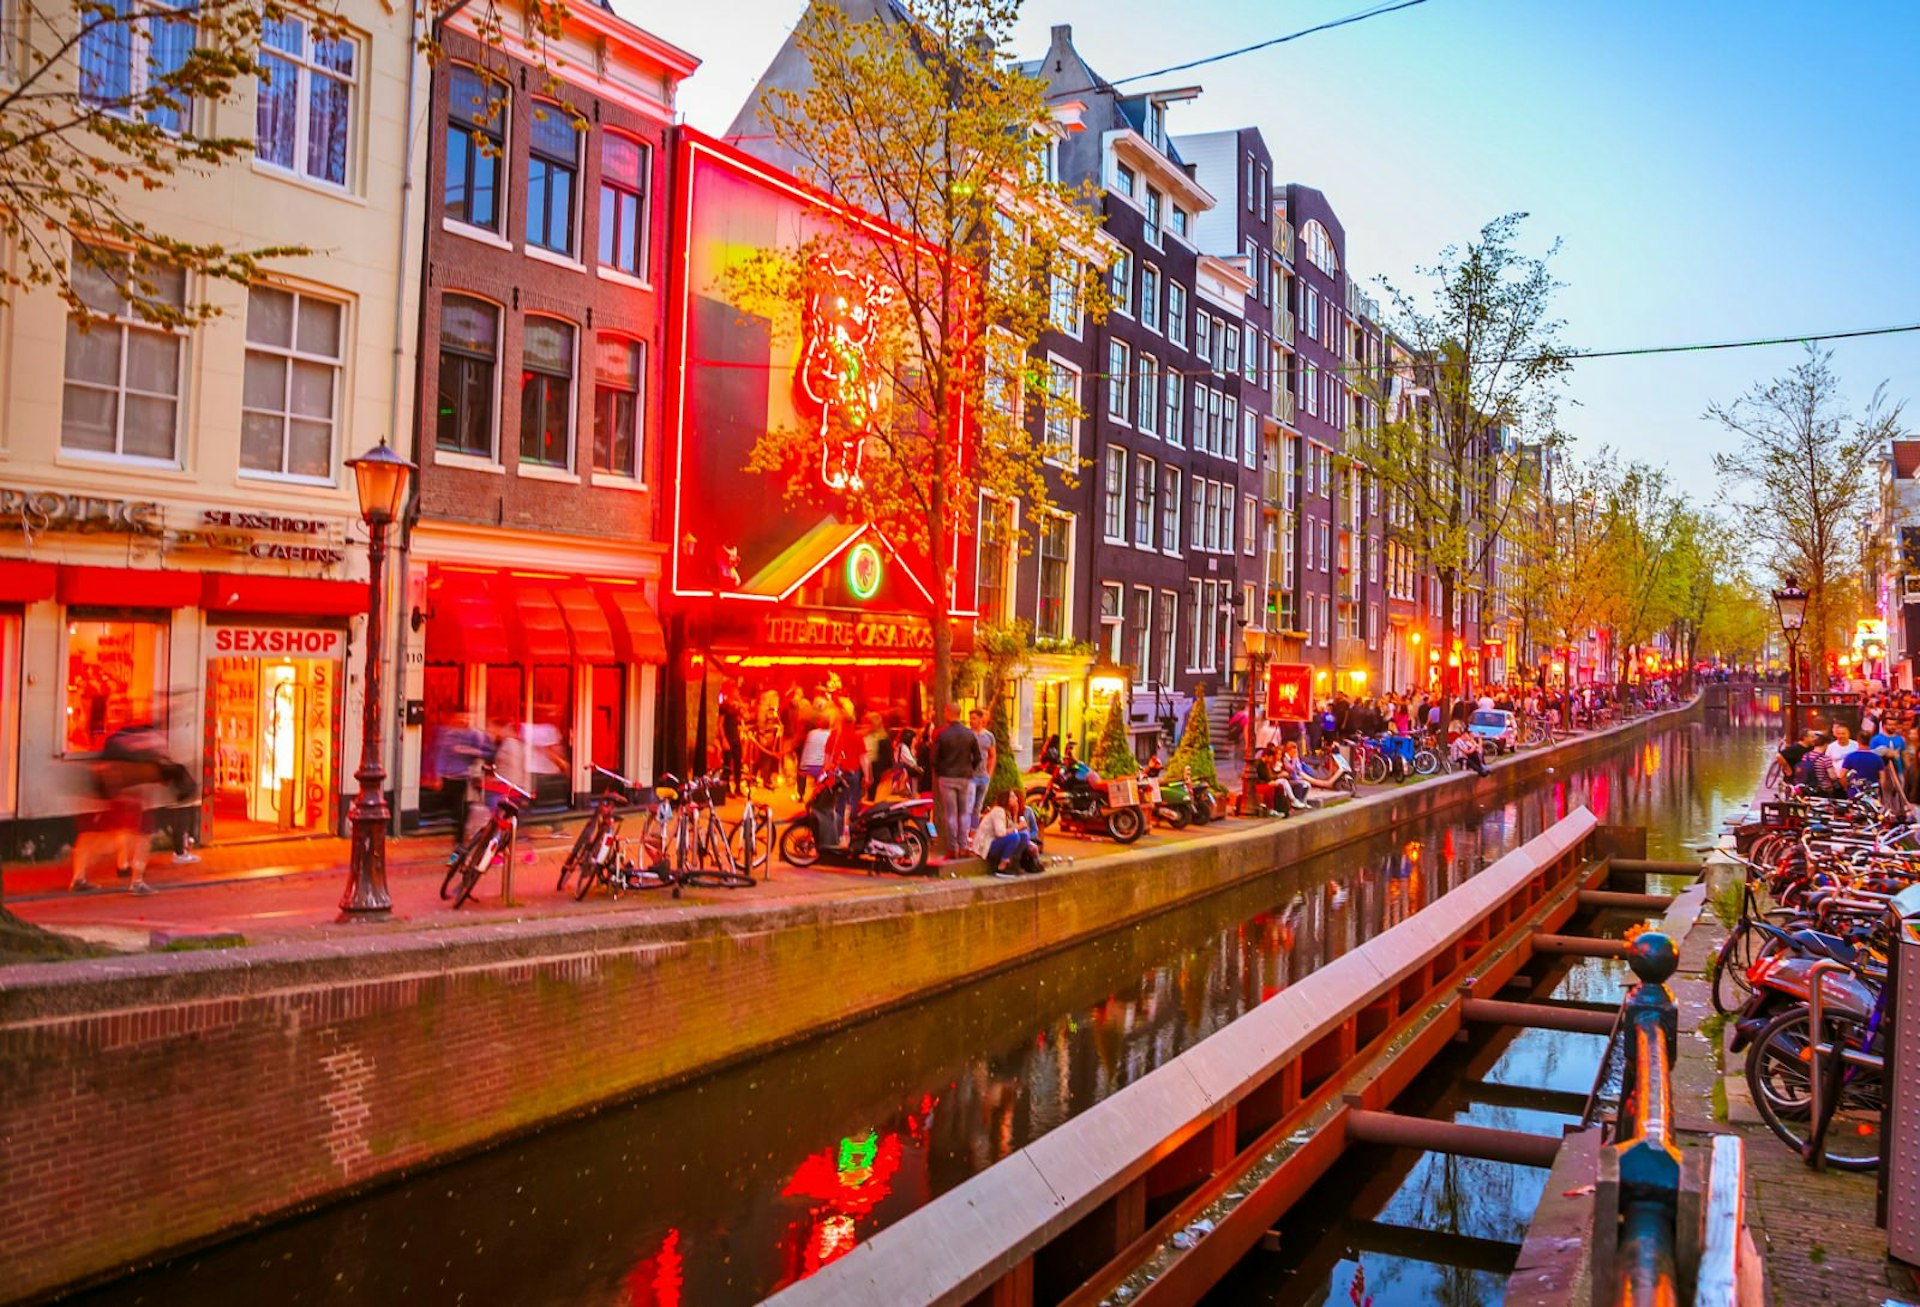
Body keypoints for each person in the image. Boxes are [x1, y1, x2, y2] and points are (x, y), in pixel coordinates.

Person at [429, 711, 491, 850]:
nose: (464, 720)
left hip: (462, 777)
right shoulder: (448, 734)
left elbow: (486, 752)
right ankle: (459, 832)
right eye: (461, 717)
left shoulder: (473, 735)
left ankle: (460, 841)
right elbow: (441, 754)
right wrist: (438, 774)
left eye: (467, 717)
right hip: (448, 777)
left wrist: (469, 751)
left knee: (459, 810)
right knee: (451, 806)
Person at [931, 703, 982, 860]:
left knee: (951, 814)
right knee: (964, 813)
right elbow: (978, 757)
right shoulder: (969, 734)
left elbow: (934, 758)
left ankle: (953, 848)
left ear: (948, 713)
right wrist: (969, 769)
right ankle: (963, 845)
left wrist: (940, 771)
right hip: (964, 776)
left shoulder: (942, 734)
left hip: (947, 777)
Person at [972, 789, 1043, 877]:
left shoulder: (1007, 812)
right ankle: (1002, 867)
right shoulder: (998, 811)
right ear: (1006, 799)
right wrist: (1019, 826)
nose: (1016, 799)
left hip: (998, 842)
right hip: (988, 845)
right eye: (1013, 797)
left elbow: (1013, 828)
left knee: (1024, 835)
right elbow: (1000, 833)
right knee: (1014, 837)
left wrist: (1015, 814)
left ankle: (1014, 863)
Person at [968, 708, 997, 846]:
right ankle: (966, 832)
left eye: (974, 718)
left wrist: (989, 774)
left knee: (978, 806)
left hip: (983, 776)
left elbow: (992, 755)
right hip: (970, 776)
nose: (971, 721)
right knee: (969, 804)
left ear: (980, 720)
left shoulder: (988, 736)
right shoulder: (968, 735)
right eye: (970, 719)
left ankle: (973, 831)